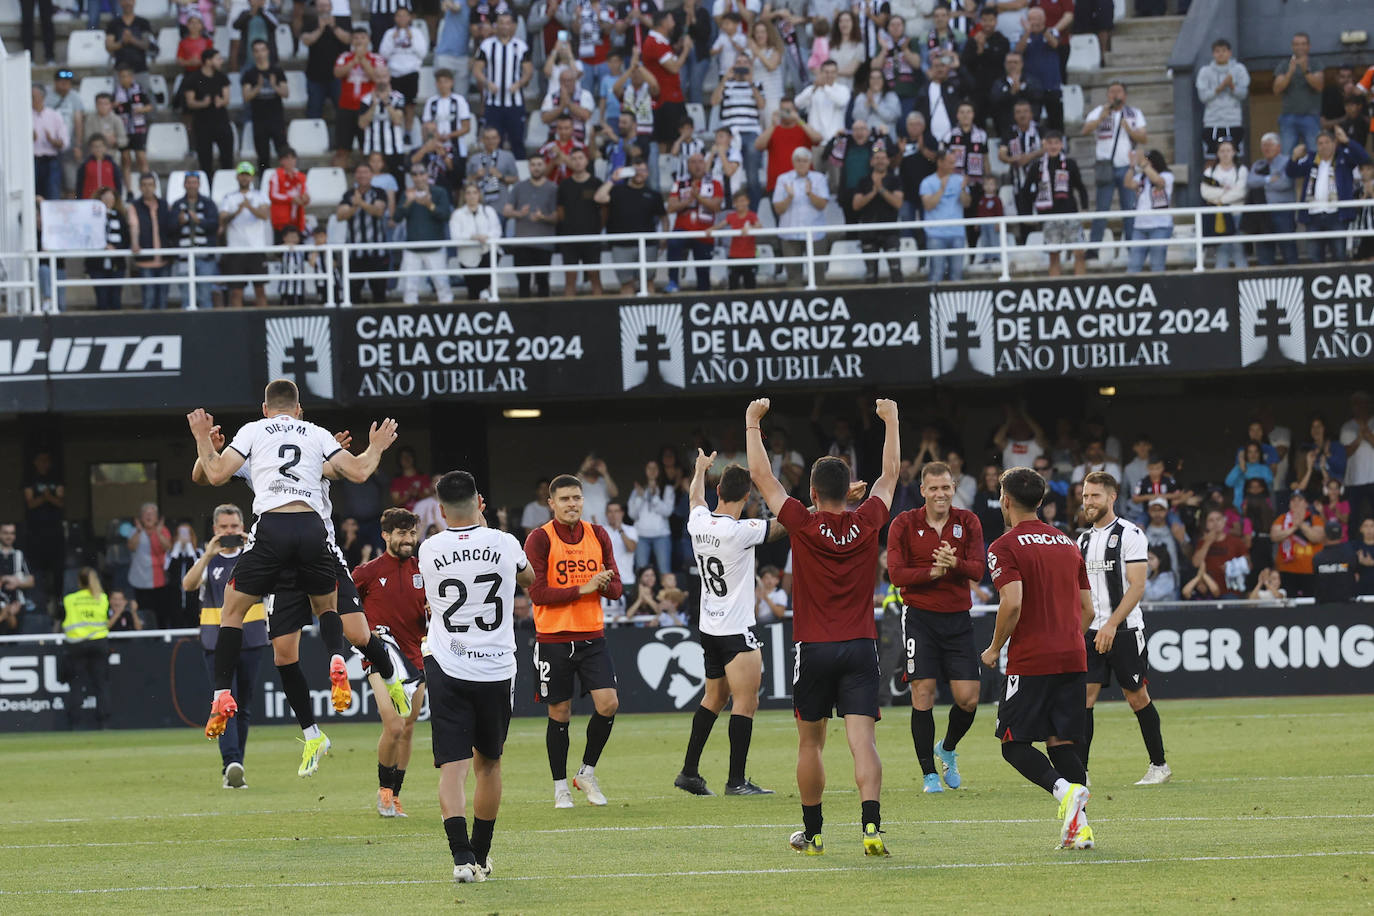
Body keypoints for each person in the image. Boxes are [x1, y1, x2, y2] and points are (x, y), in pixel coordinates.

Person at [185, 382, 400, 741]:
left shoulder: (253, 434)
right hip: (314, 533)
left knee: (232, 611)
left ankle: (221, 692)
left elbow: (215, 473)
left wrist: (203, 439)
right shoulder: (316, 436)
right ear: (299, 410)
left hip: (273, 531)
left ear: (264, 409)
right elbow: (359, 472)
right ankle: (335, 659)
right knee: (328, 611)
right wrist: (374, 447)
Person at [746, 395, 901, 858]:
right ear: (847, 491)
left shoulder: (801, 523)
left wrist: (753, 423)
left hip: (813, 646)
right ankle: (871, 827)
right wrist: (891, 421)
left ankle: (812, 835)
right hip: (859, 645)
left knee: (810, 744)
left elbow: (763, 477)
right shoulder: (868, 520)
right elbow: (890, 476)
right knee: (863, 740)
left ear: (812, 493)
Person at [420, 470, 534, 883]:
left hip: (448, 665)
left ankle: (460, 857)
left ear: (439, 509)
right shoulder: (505, 542)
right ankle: (482, 856)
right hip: (496, 666)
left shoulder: (429, 548)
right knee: (490, 764)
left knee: (453, 767)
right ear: (480, 503)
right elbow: (529, 579)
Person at [980, 466, 1094, 851]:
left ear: (1006, 500)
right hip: (1073, 654)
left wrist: (995, 647)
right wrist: (1066, 636)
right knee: (1062, 743)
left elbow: (1012, 602)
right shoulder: (1067, 544)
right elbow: (1088, 610)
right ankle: (1082, 830)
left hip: (1033, 660)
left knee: (1013, 744)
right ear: (1041, 501)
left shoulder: (1004, 546)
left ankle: (1063, 792)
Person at [674, 450, 783, 796]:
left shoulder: (700, 522)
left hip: (709, 629)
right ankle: (736, 781)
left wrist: (698, 470)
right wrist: (821, 506)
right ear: (747, 497)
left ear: (718, 490)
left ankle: (689, 772)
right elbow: (783, 525)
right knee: (746, 702)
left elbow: (694, 498)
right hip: (736, 630)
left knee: (714, 697)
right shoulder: (742, 530)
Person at [523, 474, 625, 808]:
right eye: (565, 499)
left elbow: (616, 589)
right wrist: (583, 588)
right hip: (553, 637)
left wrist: (603, 584)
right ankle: (559, 787)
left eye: (577, 498)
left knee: (608, 703)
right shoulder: (540, 539)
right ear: (551, 503)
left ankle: (586, 772)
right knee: (560, 712)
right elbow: (536, 593)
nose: (572, 504)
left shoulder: (598, 534)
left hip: (592, 635)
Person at [887, 460, 985, 794]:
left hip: (958, 620)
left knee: (968, 699)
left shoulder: (968, 521)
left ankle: (947, 748)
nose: (940, 494)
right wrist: (931, 572)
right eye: (934, 488)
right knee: (923, 692)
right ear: (923, 491)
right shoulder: (903, 523)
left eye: (946, 487)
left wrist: (953, 563)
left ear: (953, 488)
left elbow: (978, 569)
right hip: (920, 619)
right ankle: (929, 774)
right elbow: (896, 574)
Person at [1077, 471, 1171, 786]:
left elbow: (1138, 585)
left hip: (1126, 631)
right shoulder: (1083, 539)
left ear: (1112, 497)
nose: (1088, 502)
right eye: (1086, 496)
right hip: (1092, 633)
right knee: (1084, 698)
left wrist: (1112, 625)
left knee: (1137, 697)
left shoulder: (1130, 534)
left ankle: (1159, 766)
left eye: (1095, 496)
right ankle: (1080, 771)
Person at [353, 508, 428, 818]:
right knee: (394, 725)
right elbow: (342, 605)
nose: (408, 539)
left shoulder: (426, 569)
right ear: (385, 535)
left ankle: (396, 795)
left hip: (417, 656)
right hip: (380, 656)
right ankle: (384, 792)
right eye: (401, 533)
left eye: (412, 533)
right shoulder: (367, 572)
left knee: (408, 729)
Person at [182, 503, 264, 788]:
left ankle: (234, 768)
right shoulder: (209, 560)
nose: (230, 532)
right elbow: (188, 585)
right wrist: (207, 553)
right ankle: (231, 763)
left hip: (252, 639)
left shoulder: (255, 557)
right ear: (215, 530)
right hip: (216, 642)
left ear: (243, 526)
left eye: (234, 526)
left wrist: (252, 546)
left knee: (243, 706)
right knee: (224, 703)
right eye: (224, 527)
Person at [1286, 126, 1371, 263]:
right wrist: (1294, 157)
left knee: (1339, 254)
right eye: (1320, 143)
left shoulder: (1343, 157)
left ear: (1334, 143)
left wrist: (1347, 140)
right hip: (1313, 214)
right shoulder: (1311, 159)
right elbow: (1292, 172)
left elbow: (1364, 158)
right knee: (1314, 256)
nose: (1323, 146)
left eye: (1327, 142)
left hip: (1336, 214)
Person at [1083, 81, 1147, 257]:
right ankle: (1093, 249)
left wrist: (1129, 129)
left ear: (1125, 95)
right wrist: (1101, 117)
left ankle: (1133, 248)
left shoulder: (1134, 113)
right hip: (1106, 166)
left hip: (1127, 166)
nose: (1115, 95)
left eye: (1118, 92)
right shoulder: (1099, 111)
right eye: (1111, 92)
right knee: (1102, 209)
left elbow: (1143, 138)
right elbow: (1085, 130)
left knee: (1129, 209)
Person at [597, 156, 667, 294]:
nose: (639, 173)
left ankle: (651, 314)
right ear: (628, 171)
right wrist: (613, 179)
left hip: (648, 245)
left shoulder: (654, 195)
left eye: (643, 170)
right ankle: (628, 315)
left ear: (648, 173)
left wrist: (664, 238)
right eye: (636, 170)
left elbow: (664, 218)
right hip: (621, 245)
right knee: (626, 283)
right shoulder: (617, 190)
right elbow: (599, 197)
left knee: (648, 282)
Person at [475, 13, 535, 158]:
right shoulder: (487, 45)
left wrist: (519, 83)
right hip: (493, 103)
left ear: (513, 26)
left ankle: (519, 176)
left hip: (515, 103)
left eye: (508, 23)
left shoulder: (520, 46)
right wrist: (487, 82)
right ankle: (494, 178)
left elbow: (528, 71)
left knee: (517, 142)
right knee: (493, 144)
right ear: (496, 25)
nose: (504, 26)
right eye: (501, 22)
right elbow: (477, 69)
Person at [61, 568, 112, 730]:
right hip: (98, 643)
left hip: (76, 645)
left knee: (76, 684)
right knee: (100, 685)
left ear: (79, 581)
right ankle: (103, 722)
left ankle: (75, 723)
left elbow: (63, 619)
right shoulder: (102, 598)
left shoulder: (70, 599)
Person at [397, 164, 455, 305]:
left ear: (427, 175)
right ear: (411, 177)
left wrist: (430, 205)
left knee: (442, 285)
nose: (418, 177)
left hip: (435, 246)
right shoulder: (407, 194)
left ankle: (447, 313)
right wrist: (408, 202)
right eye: (414, 174)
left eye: (421, 173)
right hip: (412, 248)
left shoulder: (439, 192)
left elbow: (445, 215)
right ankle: (409, 317)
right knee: (410, 288)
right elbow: (396, 218)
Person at [772, 147, 830, 285]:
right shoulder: (783, 179)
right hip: (790, 234)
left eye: (804, 161)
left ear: (810, 162)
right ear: (793, 162)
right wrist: (789, 197)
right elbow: (778, 209)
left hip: (815, 234)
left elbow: (822, 204)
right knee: (793, 277)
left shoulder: (819, 179)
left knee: (818, 276)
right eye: (798, 160)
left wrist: (810, 194)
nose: (801, 164)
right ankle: (795, 304)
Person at [665, 152, 723, 292]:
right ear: (688, 165)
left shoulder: (715, 184)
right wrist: (688, 201)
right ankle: (673, 281)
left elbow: (716, 206)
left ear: (705, 164)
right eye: (693, 162)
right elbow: (671, 207)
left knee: (703, 272)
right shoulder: (679, 184)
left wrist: (698, 197)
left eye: (700, 162)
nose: (697, 165)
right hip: (683, 229)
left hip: (704, 231)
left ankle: (703, 293)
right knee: (673, 242)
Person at [218, 162, 272, 308]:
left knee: (260, 290)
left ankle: (263, 322)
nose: (244, 178)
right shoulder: (229, 197)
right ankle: (237, 326)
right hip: (236, 250)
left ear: (252, 178)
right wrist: (237, 211)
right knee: (236, 292)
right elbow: (222, 218)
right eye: (242, 175)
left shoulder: (260, 196)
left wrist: (249, 207)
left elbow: (264, 215)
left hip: (256, 249)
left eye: (247, 175)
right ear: (237, 177)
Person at [505, 154, 559, 297]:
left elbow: (557, 217)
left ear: (545, 166)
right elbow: (506, 210)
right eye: (533, 164)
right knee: (523, 283)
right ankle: (524, 317)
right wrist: (519, 214)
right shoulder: (519, 187)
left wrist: (543, 217)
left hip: (544, 244)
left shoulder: (553, 188)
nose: (536, 168)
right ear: (529, 167)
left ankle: (545, 317)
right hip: (522, 243)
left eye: (539, 164)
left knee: (543, 283)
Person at [337, 162, 391, 303]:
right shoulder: (348, 194)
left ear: (371, 174)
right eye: (359, 172)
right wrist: (354, 207)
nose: (362, 175)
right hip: (355, 252)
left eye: (366, 172)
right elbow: (340, 216)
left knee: (379, 294)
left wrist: (361, 203)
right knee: (352, 295)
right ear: (355, 175)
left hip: (377, 252)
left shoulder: (379, 192)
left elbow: (379, 211)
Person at [852, 143, 905, 282]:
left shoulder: (895, 180)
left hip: (890, 231)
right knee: (870, 274)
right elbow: (856, 205)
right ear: (871, 161)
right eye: (877, 158)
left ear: (888, 161)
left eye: (883, 158)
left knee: (896, 272)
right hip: (869, 231)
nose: (880, 160)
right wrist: (872, 192)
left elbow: (898, 203)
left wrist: (881, 189)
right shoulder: (863, 181)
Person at [555, 149, 604, 296]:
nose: (577, 161)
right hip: (569, 238)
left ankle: (602, 314)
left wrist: (597, 228)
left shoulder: (596, 183)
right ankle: (567, 316)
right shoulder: (564, 185)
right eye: (574, 158)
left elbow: (604, 211)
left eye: (580, 158)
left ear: (586, 161)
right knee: (570, 280)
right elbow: (560, 211)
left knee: (595, 278)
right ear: (570, 162)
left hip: (592, 238)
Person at [332, 28, 384, 166]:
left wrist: (363, 60)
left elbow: (377, 77)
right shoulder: (345, 56)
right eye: (356, 38)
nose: (359, 40)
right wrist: (355, 60)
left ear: (368, 40)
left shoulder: (376, 58)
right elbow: (337, 73)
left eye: (362, 37)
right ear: (352, 41)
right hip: (346, 107)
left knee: (366, 150)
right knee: (342, 150)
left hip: (366, 109)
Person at [167, 171, 218, 310]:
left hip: (204, 256)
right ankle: (187, 330)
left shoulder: (208, 203)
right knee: (186, 297)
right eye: (189, 182)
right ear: (184, 184)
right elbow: (169, 229)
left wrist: (199, 221)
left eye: (194, 182)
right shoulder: (177, 204)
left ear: (199, 184)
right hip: (184, 257)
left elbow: (215, 225)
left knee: (205, 296)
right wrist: (179, 222)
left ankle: (208, 328)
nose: (191, 185)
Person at [1247, 132, 1300, 267]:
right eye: (1264, 145)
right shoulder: (1258, 165)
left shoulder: (1288, 162)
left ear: (1279, 147)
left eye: (1270, 145)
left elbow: (1284, 184)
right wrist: (1269, 179)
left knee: (1289, 252)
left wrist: (1263, 184)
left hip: (1282, 212)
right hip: (1263, 214)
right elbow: (1250, 182)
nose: (1267, 148)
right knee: (1264, 254)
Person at [920, 147, 970, 283]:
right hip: (936, 235)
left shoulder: (960, 180)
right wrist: (942, 188)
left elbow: (966, 203)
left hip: (957, 234)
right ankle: (933, 303)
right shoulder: (927, 182)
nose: (954, 166)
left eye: (954, 162)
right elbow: (928, 205)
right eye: (950, 163)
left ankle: (957, 304)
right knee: (936, 274)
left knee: (957, 275)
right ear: (940, 162)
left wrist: (963, 189)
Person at [1195, 38, 1250, 163]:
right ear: (1213, 54)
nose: (1221, 54)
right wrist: (1219, 88)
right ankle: (1209, 182)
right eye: (1217, 51)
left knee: (1235, 157)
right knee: (1211, 158)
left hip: (1233, 121)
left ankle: (1235, 182)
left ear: (1230, 53)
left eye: (1224, 51)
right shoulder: (1205, 71)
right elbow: (1203, 97)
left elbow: (1243, 94)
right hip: (1212, 121)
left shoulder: (1239, 70)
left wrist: (1231, 86)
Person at [242, 40, 290, 175]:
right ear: (253, 53)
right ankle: (264, 182)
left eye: (262, 50)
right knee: (263, 157)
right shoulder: (250, 73)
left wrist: (274, 85)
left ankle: (284, 181)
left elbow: (286, 93)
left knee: (283, 153)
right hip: (259, 121)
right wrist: (258, 86)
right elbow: (246, 97)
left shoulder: (277, 71)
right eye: (256, 51)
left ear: (268, 51)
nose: (260, 54)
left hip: (276, 120)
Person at [1123, 148, 1173, 275]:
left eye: (1146, 161)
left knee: (1157, 266)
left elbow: (1158, 182)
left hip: (1160, 226)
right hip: (1140, 227)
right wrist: (1132, 166)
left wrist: (1144, 164)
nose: (1143, 164)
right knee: (1133, 267)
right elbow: (1128, 183)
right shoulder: (1141, 177)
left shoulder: (1167, 175)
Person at [185, 49, 235, 177]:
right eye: (217, 58)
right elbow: (190, 102)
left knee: (227, 159)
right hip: (203, 124)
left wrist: (221, 102)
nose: (221, 61)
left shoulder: (222, 77)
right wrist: (202, 103)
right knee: (205, 161)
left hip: (221, 122)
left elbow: (227, 98)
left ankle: (226, 184)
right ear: (208, 61)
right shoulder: (193, 78)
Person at [1272, 32, 1324, 155]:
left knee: (1315, 154)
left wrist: (1306, 70)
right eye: (1296, 44)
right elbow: (1276, 89)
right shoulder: (1284, 64)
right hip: (1288, 117)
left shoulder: (1315, 63)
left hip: (1311, 116)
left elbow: (1319, 86)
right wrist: (1290, 72)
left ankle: (1315, 175)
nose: (1300, 47)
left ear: (1309, 46)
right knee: (1286, 155)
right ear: (1292, 46)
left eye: (1303, 44)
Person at [450, 183, 503, 300]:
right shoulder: (457, 214)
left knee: (484, 287)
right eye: (468, 193)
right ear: (464, 196)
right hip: (467, 258)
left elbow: (497, 231)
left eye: (474, 192)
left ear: (479, 194)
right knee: (473, 292)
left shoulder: (489, 211)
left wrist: (485, 237)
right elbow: (455, 236)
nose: (472, 196)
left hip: (486, 254)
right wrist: (472, 237)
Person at [1200, 140, 1247, 269]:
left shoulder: (1241, 170)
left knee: (1238, 250)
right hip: (1219, 216)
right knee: (1222, 251)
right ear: (1217, 154)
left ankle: (1243, 279)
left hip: (1237, 214)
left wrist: (1220, 199)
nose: (1225, 154)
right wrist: (1224, 191)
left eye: (1228, 150)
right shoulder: (1210, 171)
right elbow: (1205, 192)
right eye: (1222, 151)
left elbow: (1241, 191)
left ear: (1234, 152)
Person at [1271, 489, 1325, 598]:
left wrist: (1301, 525)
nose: (1296, 503)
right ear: (1289, 504)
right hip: (1286, 571)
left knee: (1310, 605)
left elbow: (1317, 537)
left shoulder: (1315, 519)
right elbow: (1274, 536)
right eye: (1293, 500)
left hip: (1310, 571)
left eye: (1299, 500)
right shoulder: (1282, 519)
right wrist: (1293, 527)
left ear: (1306, 503)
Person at [266, 148, 311, 241]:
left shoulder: (301, 176)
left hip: (297, 218)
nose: (290, 161)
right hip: (281, 219)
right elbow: (273, 195)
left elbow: (305, 193)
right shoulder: (276, 176)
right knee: (281, 248)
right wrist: (291, 199)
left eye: (292, 158)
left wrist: (305, 198)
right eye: (287, 158)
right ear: (281, 161)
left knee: (299, 248)